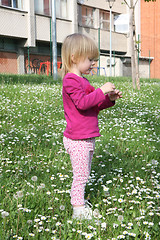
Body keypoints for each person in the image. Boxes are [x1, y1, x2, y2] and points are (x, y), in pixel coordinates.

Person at [61, 33, 122, 220]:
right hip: (77, 139)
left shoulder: (83, 81)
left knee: (85, 174)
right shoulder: (70, 80)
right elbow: (81, 103)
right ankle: (78, 210)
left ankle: (79, 203)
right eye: (90, 60)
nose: (93, 64)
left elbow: (92, 105)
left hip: (86, 137)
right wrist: (101, 90)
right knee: (80, 175)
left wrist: (108, 99)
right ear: (74, 57)